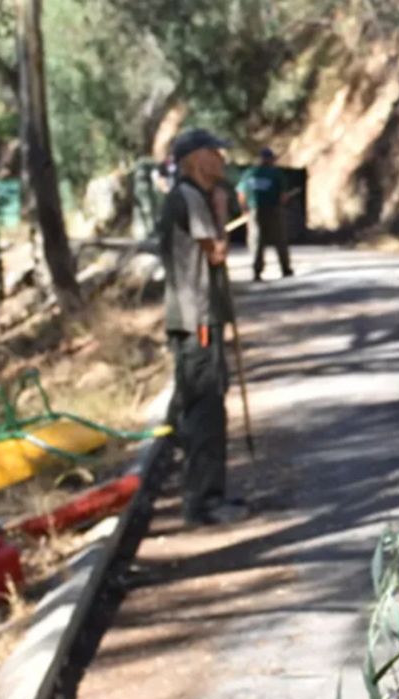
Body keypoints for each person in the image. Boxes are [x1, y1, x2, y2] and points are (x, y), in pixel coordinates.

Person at [158, 128, 245, 527]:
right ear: (195, 158)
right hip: (198, 321)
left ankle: (207, 492)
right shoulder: (191, 197)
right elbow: (217, 251)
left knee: (202, 406)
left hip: (199, 318)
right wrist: (222, 211)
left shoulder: (191, 196)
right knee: (206, 409)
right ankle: (203, 500)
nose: (222, 160)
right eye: (215, 152)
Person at [235, 147, 294, 280]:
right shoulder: (276, 174)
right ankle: (285, 269)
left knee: (256, 241)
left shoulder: (248, 173)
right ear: (271, 159)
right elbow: (283, 195)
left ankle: (257, 271)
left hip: (254, 211)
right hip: (273, 210)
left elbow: (241, 193)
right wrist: (282, 204)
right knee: (280, 240)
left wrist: (244, 210)